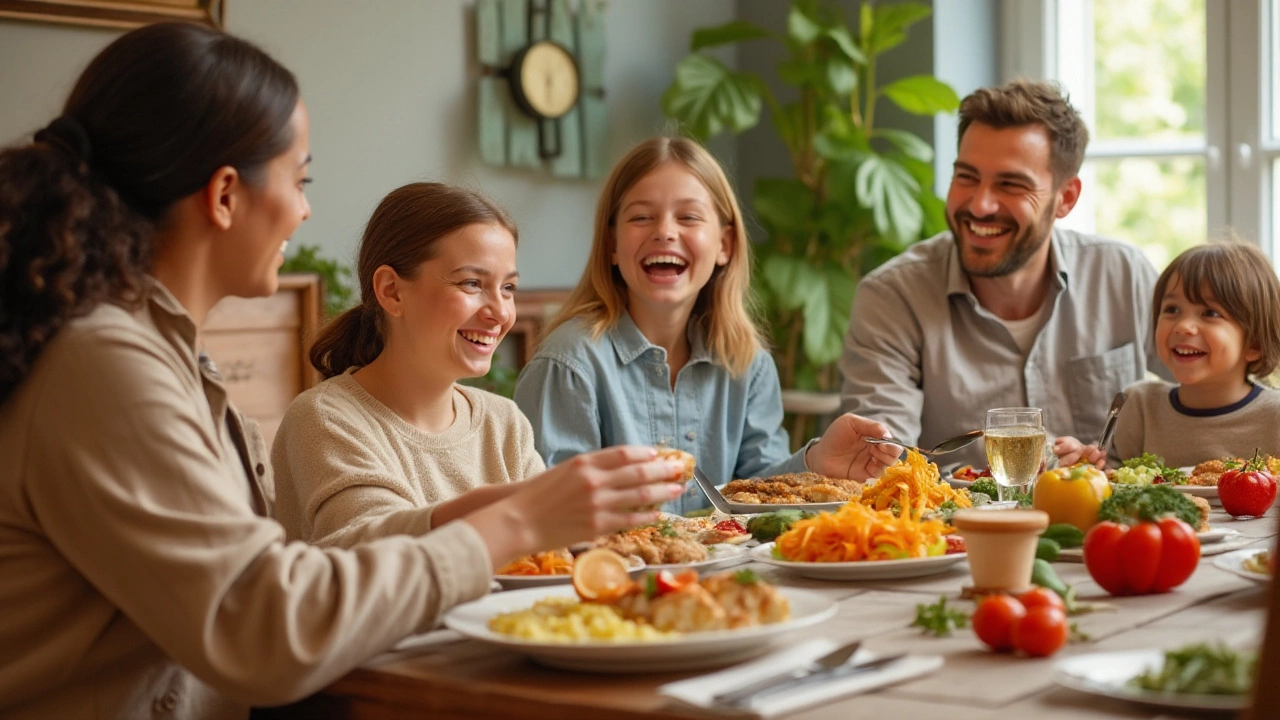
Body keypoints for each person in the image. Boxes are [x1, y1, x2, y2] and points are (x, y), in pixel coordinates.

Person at [0, 24, 685, 719]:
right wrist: (512, 523)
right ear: (226, 195)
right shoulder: (106, 366)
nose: (304, 208)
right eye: (300, 179)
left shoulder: (157, 355)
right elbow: (265, 625)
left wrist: (487, 515)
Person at [513, 136, 902, 515]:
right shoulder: (568, 365)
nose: (664, 231)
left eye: (688, 217)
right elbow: (550, 517)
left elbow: (755, 498)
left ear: (725, 245)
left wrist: (817, 461)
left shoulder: (748, 363)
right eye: (641, 216)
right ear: (611, 243)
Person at [838, 79, 1169, 469]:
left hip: (1111, 526)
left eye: (1011, 184)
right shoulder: (892, 297)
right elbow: (880, 459)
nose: (980, 206)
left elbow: (1216, 394)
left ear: (1065, 198)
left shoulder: (1122, 275)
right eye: (966, 177)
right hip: (959, 528)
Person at [273, 182, 548, 547]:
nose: (500, 312)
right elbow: (370, 556)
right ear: (391, 290)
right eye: (471, 283)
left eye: (508, 288)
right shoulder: (323, 419)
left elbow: (550, 552)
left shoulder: (504, 423)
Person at [1053, 241, 1280, 468]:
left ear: (1255, 344)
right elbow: (1113, 484)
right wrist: (1087, 465)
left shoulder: (1274, 416)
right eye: (1172, 309)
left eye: (1210, 313)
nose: (1183, 326)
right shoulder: (1140, 406)